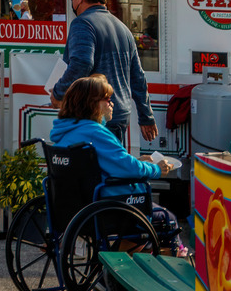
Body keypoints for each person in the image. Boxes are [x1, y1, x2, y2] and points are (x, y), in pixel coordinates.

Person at [49, 74, 183, 253]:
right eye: (108, 99)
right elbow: (127, 168)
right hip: (109, 208)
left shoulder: (66, 133)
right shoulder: (95, 132)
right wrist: (156, 169)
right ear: (92, 103)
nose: (112, 104)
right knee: (167, 219)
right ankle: (125, 269)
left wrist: (135, 161)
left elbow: (111, 164)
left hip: (72, 210)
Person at [50, 0, 157, 147]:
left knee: (91, 171)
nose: (72, 1)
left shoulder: (82, 24)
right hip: (118, 115)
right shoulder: (123, 28)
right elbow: (138, 77)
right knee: (111, 169)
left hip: (94, 117)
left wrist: (58, 92)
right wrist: (146, 116)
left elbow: (82, 63)